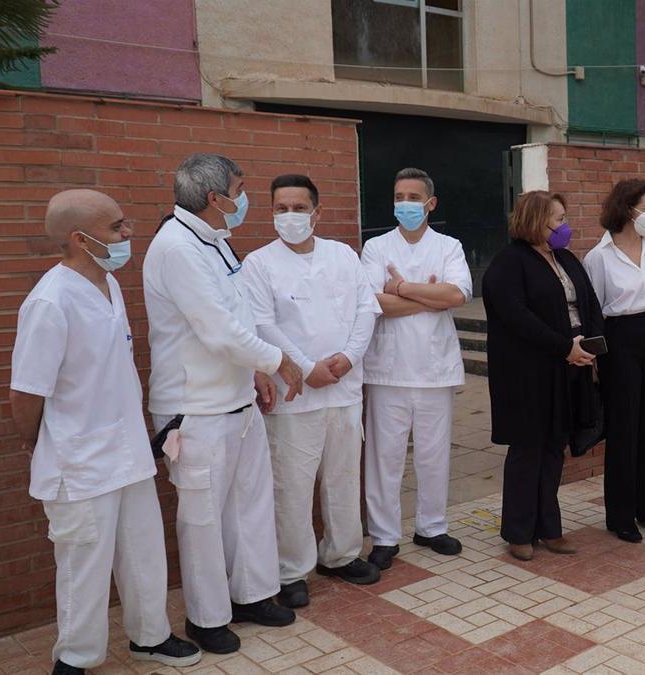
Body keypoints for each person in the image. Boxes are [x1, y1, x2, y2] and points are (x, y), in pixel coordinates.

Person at [10, 190, 201, 675]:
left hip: (128, 453)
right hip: (79, 463)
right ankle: (75, 659)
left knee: (144, 554)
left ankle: (150, 637)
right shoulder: (50, 302)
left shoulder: (109, 284)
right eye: (117, 228)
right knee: (83, 569)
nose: (128, 234)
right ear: (80, 238)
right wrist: (41, 444)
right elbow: (26, 394)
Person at [144, 154, 305, 654]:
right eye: (240, 187)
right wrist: (281, 361)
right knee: (203, 518)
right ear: (216, 198)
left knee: (250, 505)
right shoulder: (176, 248)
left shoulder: (213, 240)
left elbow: (237, 319)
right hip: (196, 409)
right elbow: (216, 331)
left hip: (235, 399)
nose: (244, 196)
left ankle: (252, 594)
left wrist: (255, 371)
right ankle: (207, 616)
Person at [241, 175, 383, 610]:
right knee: (292, 486)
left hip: (344, 388)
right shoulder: (258, 263)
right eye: (281, 207)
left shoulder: (342, 255)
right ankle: (292, 570)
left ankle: (340, 555)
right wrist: (305, 368)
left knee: (343, 478)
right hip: (295, 395)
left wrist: (349, 357)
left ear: (317, 213)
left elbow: (366, 309)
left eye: (299, 208)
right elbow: (262, 324)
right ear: (270, 212)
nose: (290, 216)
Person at [360, 167, 471, 570]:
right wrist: (429, 295)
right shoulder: (375, 248)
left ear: (430, 203)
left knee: (433, 454)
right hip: (387, 370)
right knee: (384, 457)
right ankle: (385, 537)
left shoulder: (449, 246)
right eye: (398, 196)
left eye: (412, 197)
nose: (404, 204)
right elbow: (375, 303)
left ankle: (432, 526)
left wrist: (403, 288)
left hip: (435, 368)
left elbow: (457, 294)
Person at [482, 191, 602, 561]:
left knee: (554, 448)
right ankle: (518, 532)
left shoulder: (565, 258)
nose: (565, 227)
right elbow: (517, 317)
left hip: (569, 367)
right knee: (528, 449)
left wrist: (591, 348)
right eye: (559, 219)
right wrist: (562, 346)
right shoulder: (509, 263)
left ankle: (550, 528)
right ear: (535, 221)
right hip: (527, 373)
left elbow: (589, 303)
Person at [582, 179, 645, 543]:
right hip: (619, 340)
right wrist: (594, 363)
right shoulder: (599, 257)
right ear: (626, 209)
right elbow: (594, 314)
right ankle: (620, 515)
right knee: (624, 428)